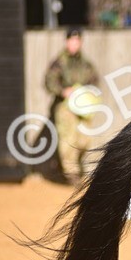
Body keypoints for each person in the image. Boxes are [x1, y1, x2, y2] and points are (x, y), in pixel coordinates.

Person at [44, 28, 101, 185]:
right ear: (67, 41)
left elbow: (95, 81)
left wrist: (88, 92)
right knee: (68, 139)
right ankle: (72, 174)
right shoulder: (59, 62)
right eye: (71, 40)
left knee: (85, 139)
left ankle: (70, 167)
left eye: (77, 40)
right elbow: (49, 81)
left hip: (83, 107)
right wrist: (63, 91)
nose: (74, 44)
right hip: (65, 106)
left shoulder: (85, 64)